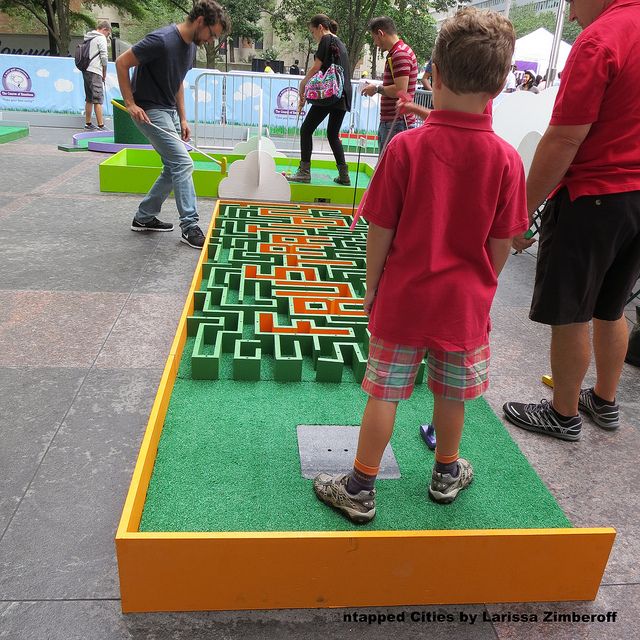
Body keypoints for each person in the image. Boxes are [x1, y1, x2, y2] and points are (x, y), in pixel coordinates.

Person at [313, 8, 528, 523]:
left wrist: (371, 287)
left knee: (384, 392)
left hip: (405, 299)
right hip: (463, 306)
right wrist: (483, 286)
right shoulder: (505, 159)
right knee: (451, 395)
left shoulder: (407, 148)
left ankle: (361, 486)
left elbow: (380, 230)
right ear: (499, 85)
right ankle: (446, 472)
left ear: (432, 72)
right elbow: (503, 242)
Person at [503, 0, 640, 440]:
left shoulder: (601, 39)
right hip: (637, 199)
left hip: (594, 196)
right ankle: (604, 400)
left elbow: (563, 138)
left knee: (572, 312)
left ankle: (563, 414)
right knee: (612, 305)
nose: (574, 15)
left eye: (572, 3)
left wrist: (519, 215)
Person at [115, 0, 229, 249]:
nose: (211, 40)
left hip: (169, 112)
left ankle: (143, 217)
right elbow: (122, 63)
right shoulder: (162, 40)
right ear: (200, 21)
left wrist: (184, 118)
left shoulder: (189, 47)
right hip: (149, 111)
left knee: (172, 167)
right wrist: (131, 103)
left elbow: (177, 83)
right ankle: (189, 227)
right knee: (183, 162)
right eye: (212, 34)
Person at [287, 14, 352, 186]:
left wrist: (303, 83)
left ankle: (304, 171)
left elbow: (317, 67)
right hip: (343, 94)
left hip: (330, 94)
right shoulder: (340, 43)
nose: (314, 35)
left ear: (321, 27)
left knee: (306, 129)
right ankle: (344, 175)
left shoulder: (326, 39)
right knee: (332, 134)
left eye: (313, 31)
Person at [361, 16, 418, 153]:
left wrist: (376, 89)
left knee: (388, 169)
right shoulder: (400, 52)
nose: (375, 43)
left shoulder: (400, 54)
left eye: (374, 38)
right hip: (396, 121)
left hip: (396, 122)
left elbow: (400, 90)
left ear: (381, 33)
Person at [82, 21, 111, 131]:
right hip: (95, 71)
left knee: (89, 98)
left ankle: (88, 123)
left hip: (86, 70)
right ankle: (101, 126)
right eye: (108, 34)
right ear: (104, 29)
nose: (107, 37)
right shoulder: (101, 38)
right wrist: (104, 72)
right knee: (98, 99)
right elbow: (104, 57)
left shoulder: (89, 37)